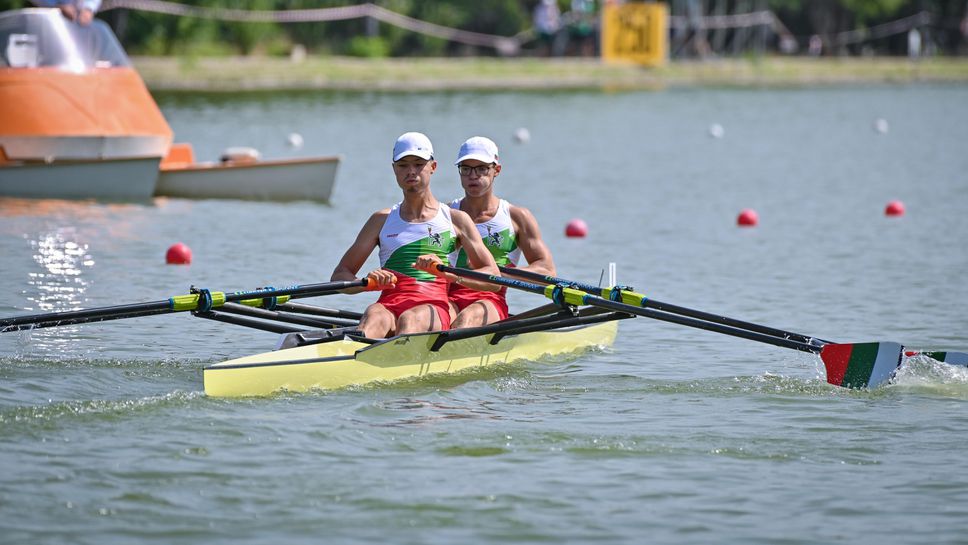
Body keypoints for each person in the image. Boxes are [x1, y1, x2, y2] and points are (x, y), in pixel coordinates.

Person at [331, 132, 500, 339]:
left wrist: (449, 274)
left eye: (419, 164)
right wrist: (367, 283)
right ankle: (354, 361)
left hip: (434, 307)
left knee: (409, 319)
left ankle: (396, 360)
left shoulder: (455, 220)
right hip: (388, 304)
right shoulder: (380, 220)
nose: (411, 171)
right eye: (403, 165)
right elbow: (340, 276)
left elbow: (493, 279)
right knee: (373, 314)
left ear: (433, 167)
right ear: (394, 169)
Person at [447, 136, 556, 328]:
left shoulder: (516, 217)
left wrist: (497, 274)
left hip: (490, 300)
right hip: (449, 298)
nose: (473, 176)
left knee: (467, 318)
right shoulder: (446, 215)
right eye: (466, 169)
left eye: (481, 168)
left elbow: (547, 271)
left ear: (496, 170)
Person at [33, 0, 101, 26]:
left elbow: (90, 4)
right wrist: (58, 6)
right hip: (48, 23)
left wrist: (88, 8)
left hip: (78, 25)